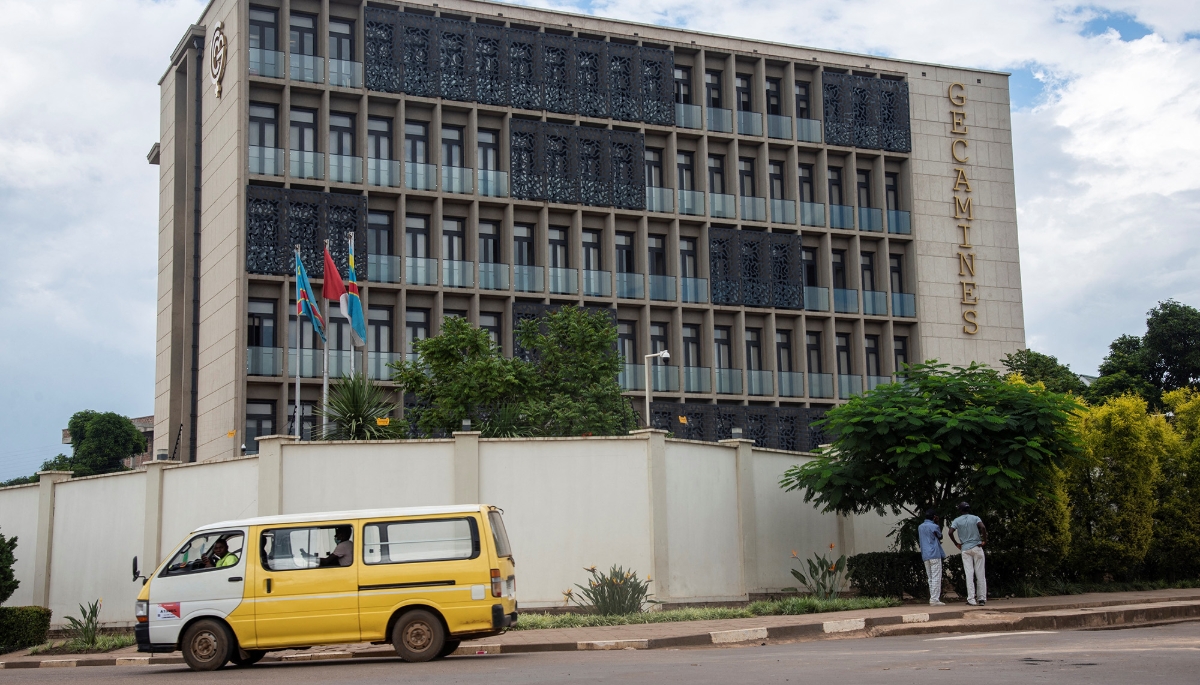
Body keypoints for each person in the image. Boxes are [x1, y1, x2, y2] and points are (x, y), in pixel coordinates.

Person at [949, 501, 988, 605]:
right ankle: (982, 599)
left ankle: (971, 599)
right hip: (977, 547)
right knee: (980, 574)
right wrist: (984, 540)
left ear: (960, 510)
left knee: (969, 574)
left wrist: (956, 543)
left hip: (965, 549)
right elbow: (983, 527)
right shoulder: (975, 518)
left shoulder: (957, 520)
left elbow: (950, 532)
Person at [917, 509, 946, 606]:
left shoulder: (920, 527)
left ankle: (932, 597)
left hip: (925, 554)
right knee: (936, 577)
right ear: (934, 517)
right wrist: (937, 522)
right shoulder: (934, 526)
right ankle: (934, 599)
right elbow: (940, 536)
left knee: (930, 577)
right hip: (934, 554)